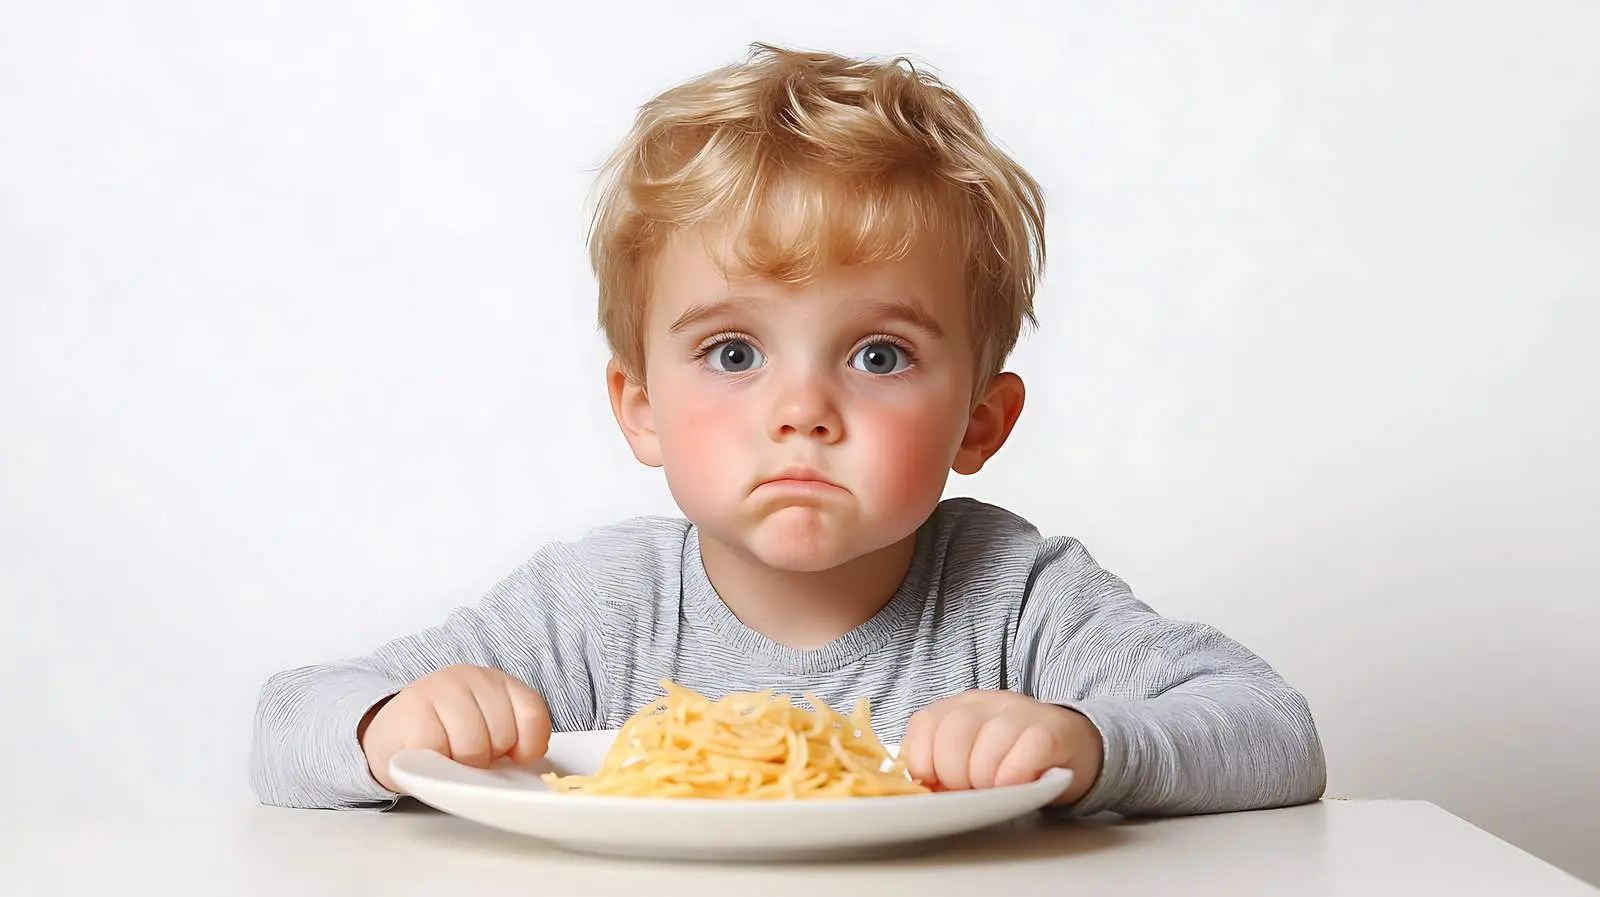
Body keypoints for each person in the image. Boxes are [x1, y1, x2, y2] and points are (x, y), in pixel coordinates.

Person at [249, 44, 1326, 817]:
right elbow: (288, 724)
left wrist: (1088, 745)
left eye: (878, 356)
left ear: (980, 422)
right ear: (641, 409)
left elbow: (1272, 731)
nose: (802, 409)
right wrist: (390, 726)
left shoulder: (1019, 601)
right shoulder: (598, 610)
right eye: (732, 354)